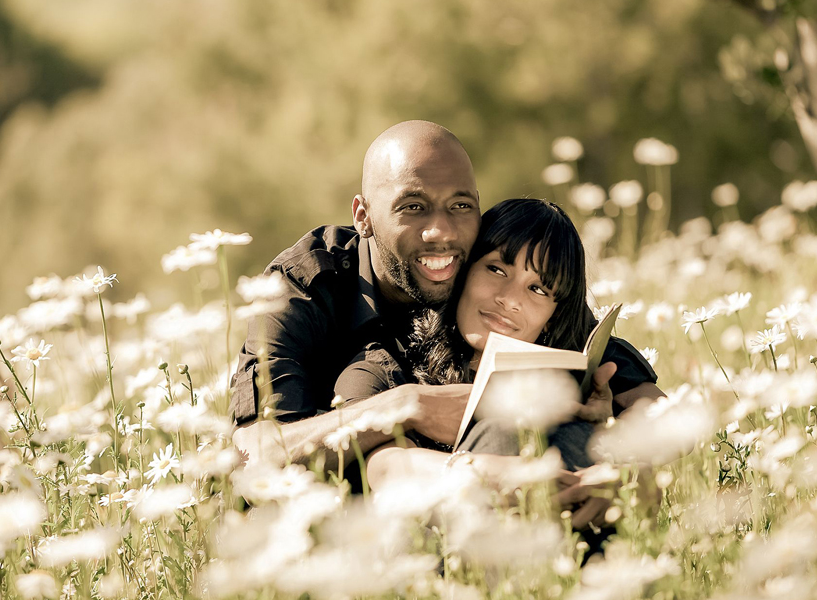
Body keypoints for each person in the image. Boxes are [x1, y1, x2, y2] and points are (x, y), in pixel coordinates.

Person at [230, 121, 661, 526]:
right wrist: (410, 407)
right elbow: (259, 459)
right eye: (413, 207)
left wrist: (624, 456)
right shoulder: (305, 287)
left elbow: (645, 399)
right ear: (363, 216)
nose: (441, 231)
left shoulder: (480, 264)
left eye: (460, 206)